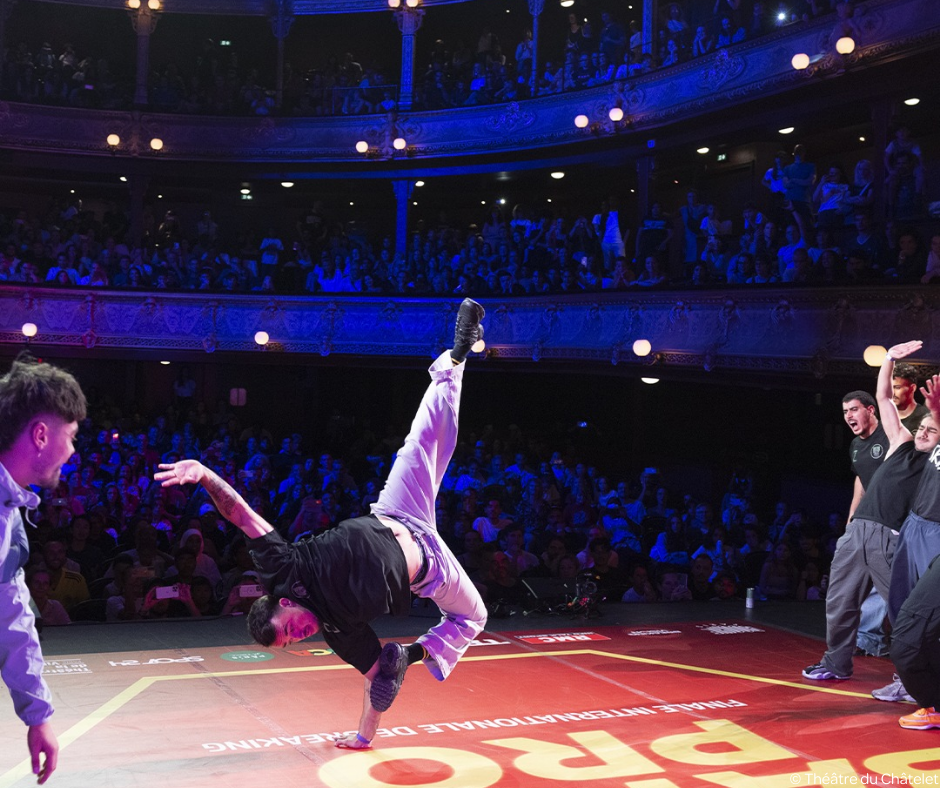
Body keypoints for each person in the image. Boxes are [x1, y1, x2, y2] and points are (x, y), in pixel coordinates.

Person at [155, 299, 488, 750]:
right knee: (474, 615)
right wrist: (362, 737)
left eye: (289, 629)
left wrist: (205, 474)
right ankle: (415, 654)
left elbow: (241, 516)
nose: (299, 635)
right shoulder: (339, 633)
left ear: (283, 602)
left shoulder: (284, 569)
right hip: (431, 567)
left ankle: (457, 355)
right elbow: (379, 681)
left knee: (425, 440)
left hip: (397, 511)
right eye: (292, 642)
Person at [803, 341, 940, 682]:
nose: (922, 431)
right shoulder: (900, 442)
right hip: (859, 531)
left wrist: (935, 410)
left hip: (890, 536)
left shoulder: (933, 464)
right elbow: (883, 398)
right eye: (920, 427)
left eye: (930, 429)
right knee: (839, 599)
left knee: (903, 610)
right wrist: (890, 359)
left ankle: (909, 680)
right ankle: (836, 664)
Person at [0, 353, 86, 784]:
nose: (72, 450)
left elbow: (11, 612)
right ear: (40, 434)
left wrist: (38, 716)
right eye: (69, 436)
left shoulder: (11, 509)